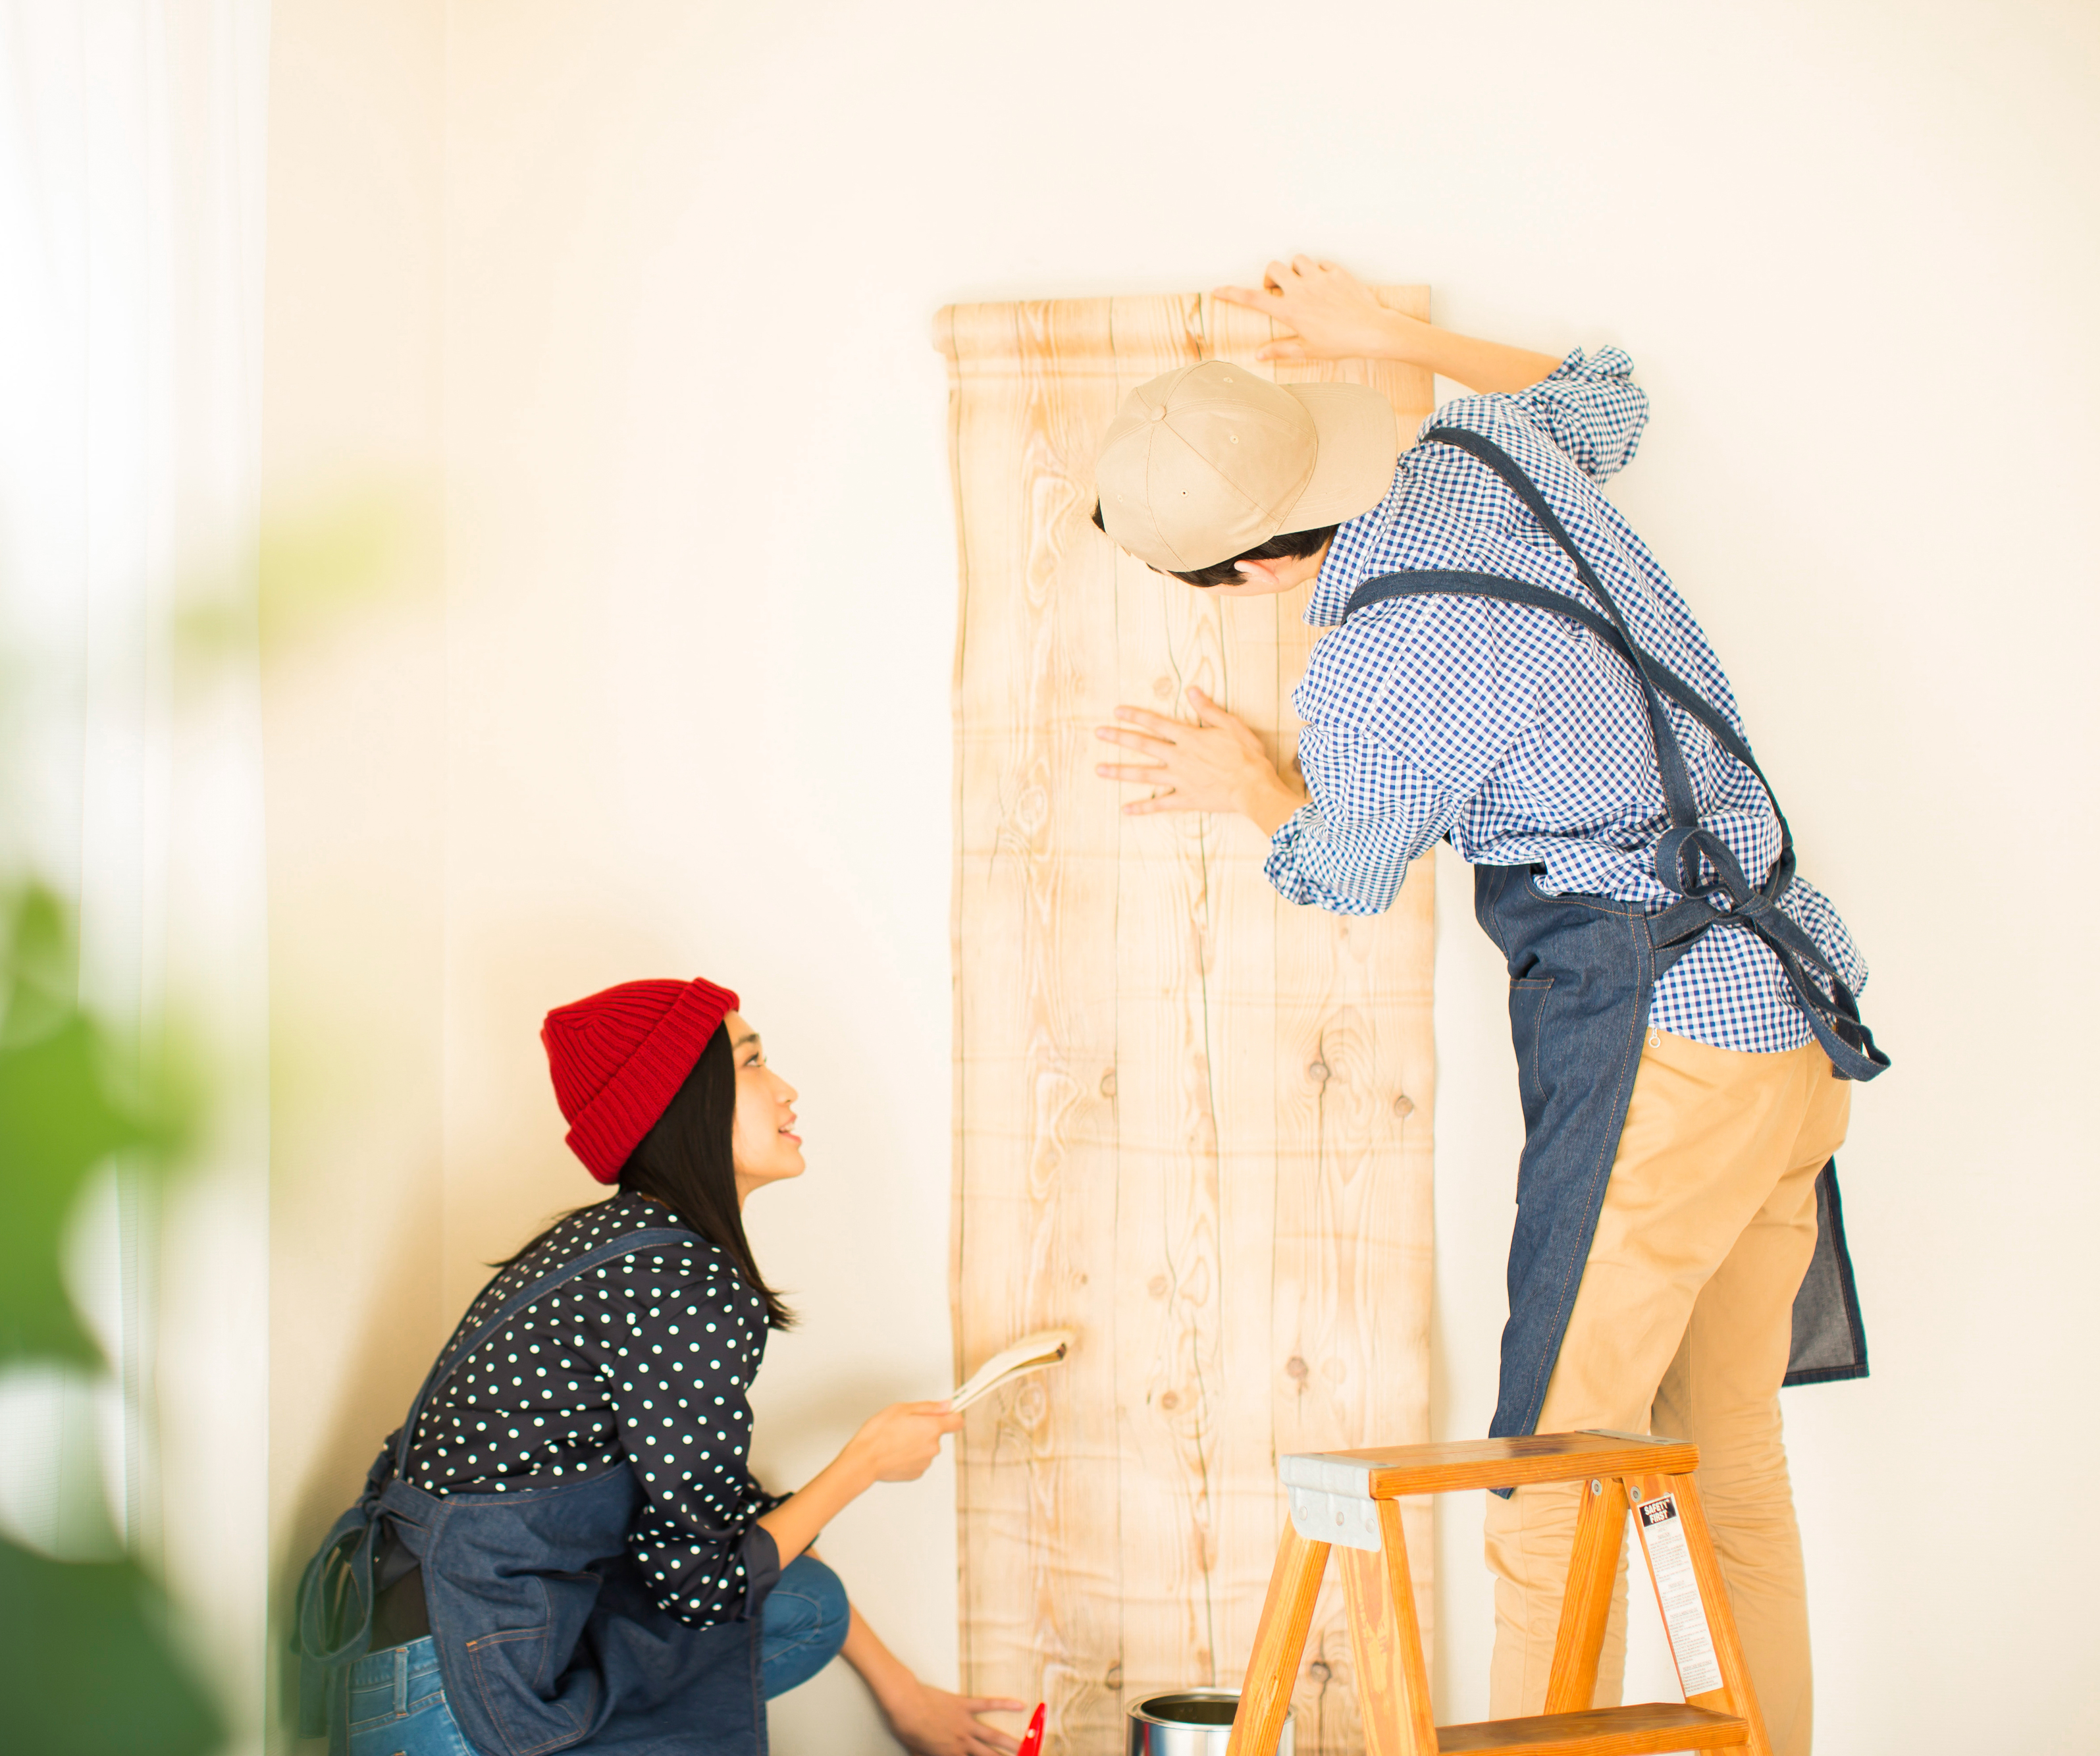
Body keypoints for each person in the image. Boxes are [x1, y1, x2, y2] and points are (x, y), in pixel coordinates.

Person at [1086, 255, 1885, 1755]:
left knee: (1545, 1488)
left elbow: (1339, 872)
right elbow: (1608, 394)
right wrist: (1389, 336)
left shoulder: (1377, 666)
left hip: (1665, 1042)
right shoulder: (1478, 446)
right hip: (1783, 1013)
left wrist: (1251, 783)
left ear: (1251, 570)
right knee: (1727, 1467)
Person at [298, 976, 1024, 1756]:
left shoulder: (625, 1246)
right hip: (460, 1704)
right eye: (752, 1064)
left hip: (433, 1656)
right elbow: (705, 1582)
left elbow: (719, 1516)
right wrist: (863, 1464)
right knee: (764, 1603)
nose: (786, 1091)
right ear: (683, 1100)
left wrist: (903, 1695)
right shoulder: (682, 1281)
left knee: (809, 1603)